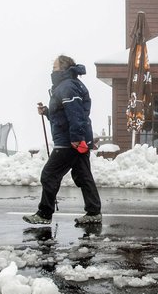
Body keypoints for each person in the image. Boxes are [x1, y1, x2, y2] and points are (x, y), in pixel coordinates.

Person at [23, 55, 102, 226]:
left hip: (68, 142)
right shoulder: (69, 85)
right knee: (83, 175)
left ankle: (44, 214)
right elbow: (65, 115)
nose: (52, 70)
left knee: (49, 174)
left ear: (64, 69)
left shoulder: (67, 86)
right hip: (76, 139)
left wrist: (75, 139)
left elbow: (75, 115)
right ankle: (94, 212)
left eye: (55, 67)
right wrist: (47, 112)